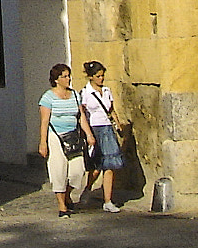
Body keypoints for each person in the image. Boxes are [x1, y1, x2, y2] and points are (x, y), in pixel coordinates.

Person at [37, 62, 88, 216]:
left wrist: (89, 134)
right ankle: (62, 206)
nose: (68, 79)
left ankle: (67, 194)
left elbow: (81, 117)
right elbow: (44, 122)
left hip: (72, 136)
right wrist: (43, 142)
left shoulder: (75, 95)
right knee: (58, 170)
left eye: (68, 76)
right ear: (56, 79)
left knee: (78, 171)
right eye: (64, 76)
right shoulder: (48, 97)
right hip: (55, 137)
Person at [79, 60, 129, 211]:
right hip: (94, 129)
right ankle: (88, 187)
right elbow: (81, 113)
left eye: (102, 76)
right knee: (96, 167)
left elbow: (111, 109)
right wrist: (86, 133)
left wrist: (118, 123)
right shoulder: (85, 93)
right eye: (98, 76)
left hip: (107, 128)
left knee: (110, 165)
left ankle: (108, 201)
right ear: (91, 77)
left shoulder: (107, 91)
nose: (101, 78)